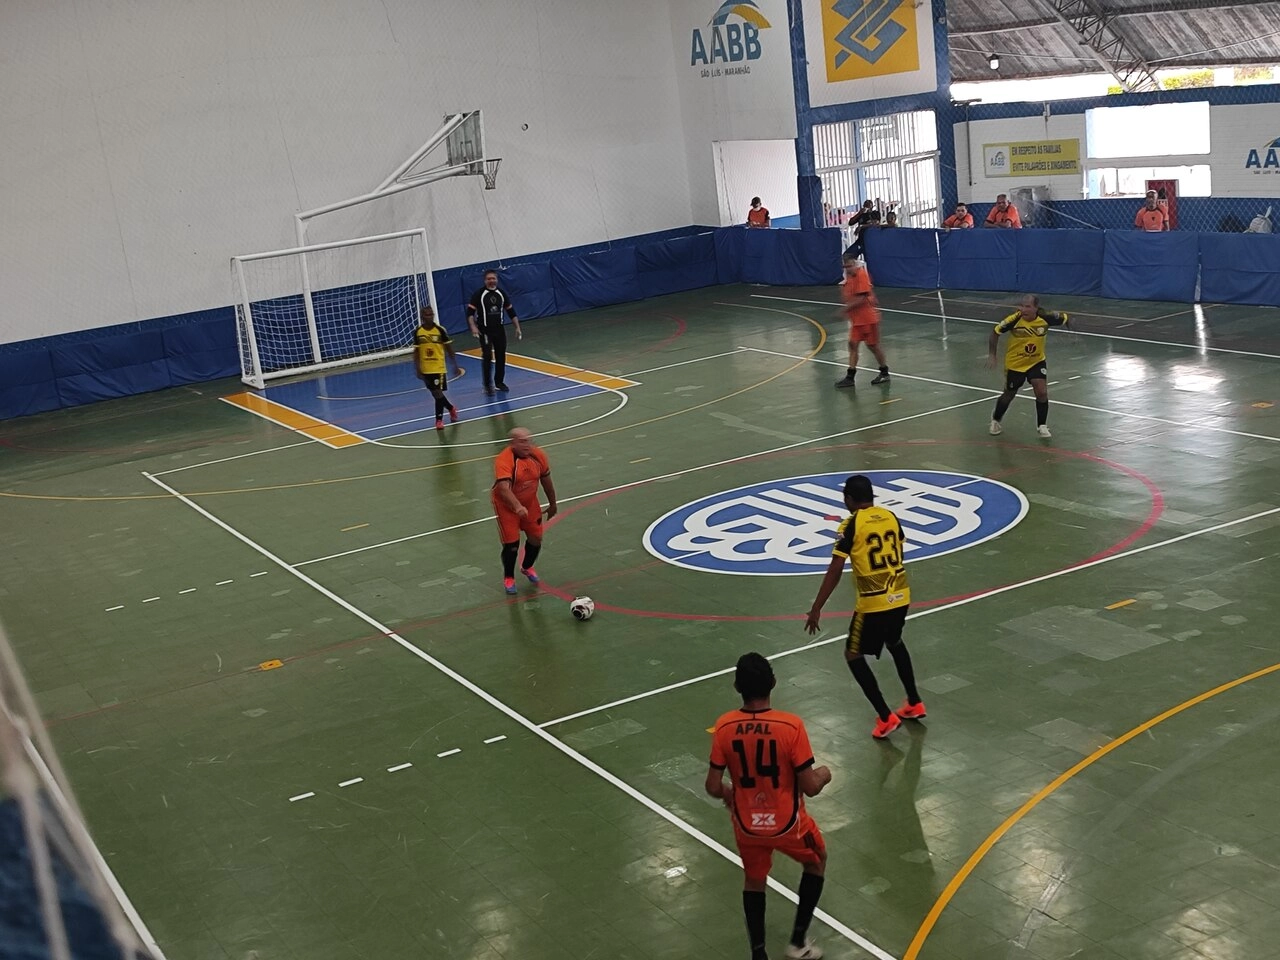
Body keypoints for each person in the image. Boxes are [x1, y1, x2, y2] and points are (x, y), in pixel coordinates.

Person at [706, 653, 831, 960]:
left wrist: (729, 795)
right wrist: (825, 773)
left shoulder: (724, 726)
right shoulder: (790, 726)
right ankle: (798, 943)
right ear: (773, 683)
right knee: (817, 861)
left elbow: (712, 786)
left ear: (737, 687)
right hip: (789, 825)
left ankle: (758, 953)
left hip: (747, 825)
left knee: (754, 881)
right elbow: (810, 787)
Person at [804, 475, 925, 740]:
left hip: (873, 602)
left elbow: (835, 569)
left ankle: (885, 717)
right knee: (894, 641)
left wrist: (816, 607)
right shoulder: (890, 516)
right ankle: (914, 702)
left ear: (848, 499)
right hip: (900, 595)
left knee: (853, 654)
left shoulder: (851, 524)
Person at [987, 294, 1068, 439]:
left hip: (1036, 361)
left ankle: (1042, 425)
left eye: (1027, 306)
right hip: (1015, 364)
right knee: (1009, 394)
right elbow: (995, 332)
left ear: (1036, 308)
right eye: (1022, 306)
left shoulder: (1046, 317)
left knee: (1041, 392)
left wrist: (1073, 334)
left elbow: (1066, 318)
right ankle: (995, 420)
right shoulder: (1014, 319)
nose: (1023, 309)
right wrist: (992, 355)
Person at [491, 427, 557, 595]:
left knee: (536, 538)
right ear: (512, 443)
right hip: (507, 506)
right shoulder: (504, 460)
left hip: (529, 502)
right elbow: (503, 488)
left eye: (529, 441)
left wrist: (553, 503)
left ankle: (527, 567)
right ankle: (509, 577)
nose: (527, 445)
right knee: (511, 544)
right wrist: (517, 507)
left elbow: (546, 480)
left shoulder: (538, 456)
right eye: (522, 442)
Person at [834, 258, 889, 389]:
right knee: (852, 344)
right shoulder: (849, 279)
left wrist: (844, 310)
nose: (847, 269)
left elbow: (862, 298)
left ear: (855, 264)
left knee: (873, 346)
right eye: (845, 267)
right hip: (857, 320)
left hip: (868, 319)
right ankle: (850, 377)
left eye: (850, 266)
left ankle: (884, 372)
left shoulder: (861, 275)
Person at [467, 270, 523, 397]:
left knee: (501, 355)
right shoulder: (479, 294)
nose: (491, 281)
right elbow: (470, 313)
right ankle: (487, 385)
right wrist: (473, 327)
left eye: (493, 278)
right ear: (485, 280)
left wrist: (517, 327)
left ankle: (499, 382)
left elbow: (511, 312)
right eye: (489, 279)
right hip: (485, 331)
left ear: (497, 280)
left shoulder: (501, 294)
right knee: (487, 356)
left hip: (499, 330)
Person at [413, 306, 464, 431]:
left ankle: (439, 420)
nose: (430, 317)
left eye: (431, 314)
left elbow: (449, 349)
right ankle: (451, 408)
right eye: (427, 315)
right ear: (422, 317)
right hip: (426, 368)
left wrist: (455, 365)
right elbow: (416, 352)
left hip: (438, 367)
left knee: (438, 392)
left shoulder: (440, 330)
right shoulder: (418, 332)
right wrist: (417, 368)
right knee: (435, 394)